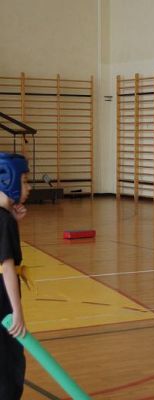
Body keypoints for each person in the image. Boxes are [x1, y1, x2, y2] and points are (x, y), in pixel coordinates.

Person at [0, 152, 31, 398]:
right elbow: (7, 267)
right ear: (8, 180)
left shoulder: (5, 218)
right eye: (24, 180)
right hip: (2, 302)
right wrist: (17, 312)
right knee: (10, 362)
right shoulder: (4, 221)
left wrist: (14, 219)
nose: (28, 187)